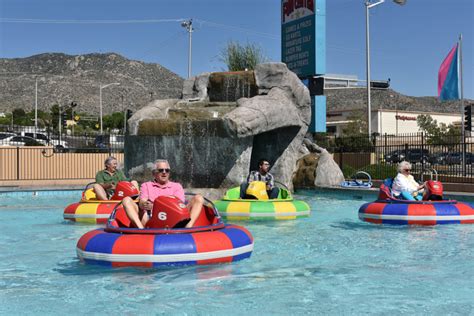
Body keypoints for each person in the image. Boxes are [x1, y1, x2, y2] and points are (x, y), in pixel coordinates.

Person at [122, 159, 204, 229]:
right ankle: (141, 230)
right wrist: (145, 204)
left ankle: (187, 228)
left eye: (167, 170)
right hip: (151, 219)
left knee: (199, 198)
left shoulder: (177, 186)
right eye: (161, 170)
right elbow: (142, 201)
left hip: (174, 218)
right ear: (154, 173)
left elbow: (180, 205)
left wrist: (156, 206)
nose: (164, 172)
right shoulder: (146, 185)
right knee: (126, 200)